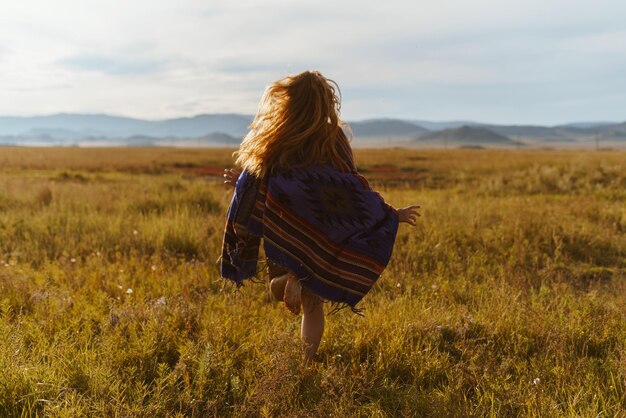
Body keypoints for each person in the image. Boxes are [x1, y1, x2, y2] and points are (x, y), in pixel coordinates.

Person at [220, 70, 420, 361]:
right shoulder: (333, 137)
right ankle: (306, 357)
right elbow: (352, 184)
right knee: (310, 300)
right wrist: (390, 214)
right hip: (324, 228)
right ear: (326, 102)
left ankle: (295, 283)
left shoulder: (277, 134)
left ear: (290, 101)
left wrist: (240, 182)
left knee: (283, 291)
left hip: (286, 226)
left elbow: (259, 178)